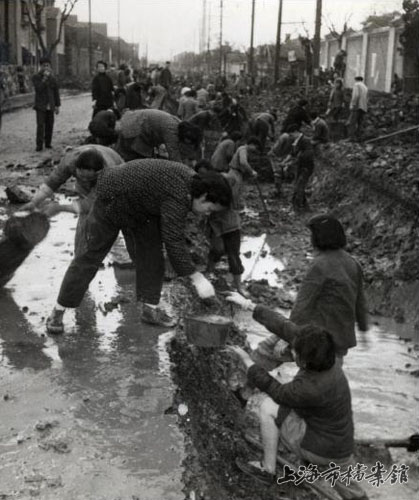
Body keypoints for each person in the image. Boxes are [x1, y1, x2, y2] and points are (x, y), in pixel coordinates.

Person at [45, 161, 232, 332]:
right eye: (209, 209)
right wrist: (197, 277)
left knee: (152, 256)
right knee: (89, 258)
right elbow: (173, 240)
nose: (207, 214)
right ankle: (58, 311)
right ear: (205, 196)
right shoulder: (179, 195)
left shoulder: (191, 186)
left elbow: (171, 234)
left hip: (142, 208)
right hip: (111, 198)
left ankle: (150, 310)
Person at [223, 296, 368, 500]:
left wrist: (247, 361)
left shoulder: (308, 388)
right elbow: (284, 326)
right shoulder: (327, 356)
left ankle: (267, 470)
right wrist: (249, 305)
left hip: (320, 447)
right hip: (341, 443)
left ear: (304, 362)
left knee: (268, 407)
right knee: (350, 488)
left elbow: (274, 389)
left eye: (293, 351)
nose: (288, 350)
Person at [290, 214, 368, 361]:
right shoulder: (353, 263)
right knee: (329, 378)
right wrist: (363, 329)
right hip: (341, 340)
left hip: (318, 340)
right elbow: (360, 302)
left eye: (311, 235)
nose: (310, 239)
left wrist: (287, 336)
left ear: (319, 237)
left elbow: (302, 305)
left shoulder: (319, 265)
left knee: (266, 352)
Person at [23, 146, 123, 259]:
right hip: (92, 167)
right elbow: (53, 181)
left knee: (109, 216)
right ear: (76, 168)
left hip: (115, 173)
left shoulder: (109, 173)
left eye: (88, 178)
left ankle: (120, 257)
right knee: (85, 218)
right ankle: (80, 254)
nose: (85, 180)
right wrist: (34, 202)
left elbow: (91, 204)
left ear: (97, 172)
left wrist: (60, 208)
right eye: (81, 176)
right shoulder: (69, 161)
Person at [195, 159, 247, 296]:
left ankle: (238, 286)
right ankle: (209, 272)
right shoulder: (201, 186)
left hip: (230, 224)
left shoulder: (223, 179)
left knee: (233, 255)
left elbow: (233, 182)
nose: (203, 176)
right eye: (200, 174)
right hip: (215, 225)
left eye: (204, 173)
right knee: (216, 250)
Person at [115, 108, 202, 164]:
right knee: (135, 162)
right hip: (135, 129)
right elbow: (174, 156)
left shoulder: (180, 125)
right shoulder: (172, 131)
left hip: (134, 123)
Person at [32, 57, 60, 151]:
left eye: (48, 65)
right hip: (40, 105)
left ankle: (48, 143)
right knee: (40, 125)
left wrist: (57, 105)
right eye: (44, 66)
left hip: (50, 105)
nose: (46, 67)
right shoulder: (36, 77)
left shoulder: (53, 78)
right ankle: (39, 145)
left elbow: (56, 92)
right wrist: (44, 78)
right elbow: (38, 88)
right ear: (41, 66)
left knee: (50, 125)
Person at [287, 127, 315, 211]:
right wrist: (286, 162)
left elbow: (304, 155)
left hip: (306, 167)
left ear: (296, 132)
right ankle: (304, 206)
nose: (291, 136)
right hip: (302, 166)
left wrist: (292, 163)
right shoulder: (299, 141)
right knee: (298, 185)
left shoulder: (305, 141)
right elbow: (293, 153)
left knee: (300, 186)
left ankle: (298, 206)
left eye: (292, 134)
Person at [347, 76, 368, 140]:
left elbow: (356, 95)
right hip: (363, 107)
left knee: (352, 122)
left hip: (357, 106)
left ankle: (351, 137)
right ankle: (359, 136)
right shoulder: (365, 87)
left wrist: (353, 104)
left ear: (356, 80)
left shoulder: (356, 85)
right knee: (360, 122)